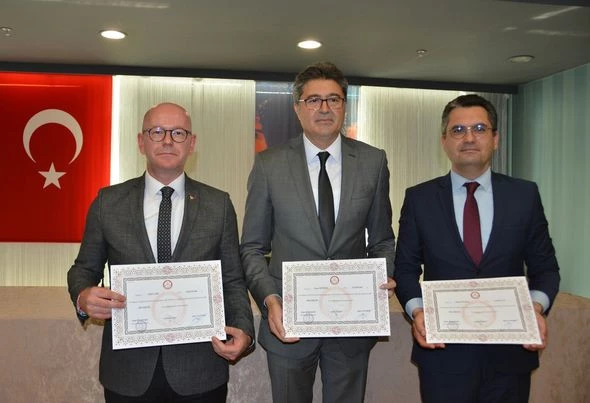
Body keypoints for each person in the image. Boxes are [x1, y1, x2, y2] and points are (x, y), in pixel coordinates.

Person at [67, 102, 254, 403]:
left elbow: (232, 280)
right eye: (157, 132)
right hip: (128, 372)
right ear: (141, 142)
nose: (167, 140)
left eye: (178, 133)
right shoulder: (107, 202)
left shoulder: (218, 205)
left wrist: (244, 329)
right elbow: (83, 269)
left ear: (191, 143)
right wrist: (83, 296)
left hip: (200, 370)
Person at [240, 62, 396, 403]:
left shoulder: (372, 162)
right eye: (313, 100)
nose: (324, 108)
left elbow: (382, 239)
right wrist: (269, 300)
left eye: (333, 99)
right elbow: (251, 247)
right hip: (288, 323)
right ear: (297, 108)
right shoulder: (269, 164)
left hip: (352, 325)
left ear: (344, 106)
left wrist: (381, 275)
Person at [394, 94, 560, 403]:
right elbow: (404, 269)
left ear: (495, 139)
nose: (469, 137)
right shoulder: (419, 199)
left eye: (480, 129)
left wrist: (535, 309)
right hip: (443, 357)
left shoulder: (524, 195)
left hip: (510, 355)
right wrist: (417, 311)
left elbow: (546, 268)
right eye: (458, 130)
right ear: (444, 141)